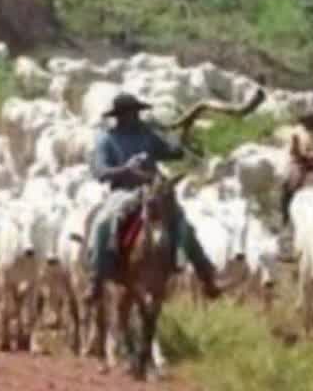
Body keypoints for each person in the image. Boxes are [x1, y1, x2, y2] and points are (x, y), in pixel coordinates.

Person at [85, 92, 221, 304]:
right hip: (123, 190)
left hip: (154, 188)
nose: (136, 117)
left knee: (183, 223)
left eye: (137, 113)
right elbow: (100, 171)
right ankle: (96, 278)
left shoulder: (147, 135)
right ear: (120, 116)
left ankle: (206, 275)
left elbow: (171, 152)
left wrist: (185, 139)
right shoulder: (107, 139)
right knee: (104, 222)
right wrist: (125, 169)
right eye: (131, 113)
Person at [279, 110, 313, 226]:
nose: (311, 123)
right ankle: (285, 214)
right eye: (308, 120)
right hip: (301, 161)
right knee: (289, 180)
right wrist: (302, 156)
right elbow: (293, 151)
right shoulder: (297, 133)